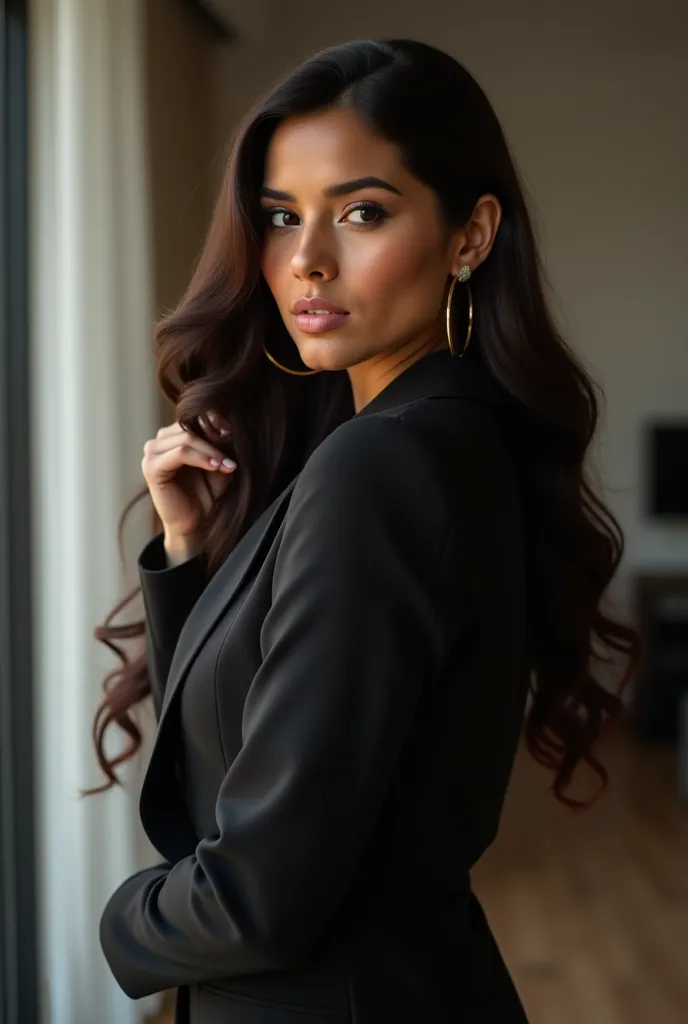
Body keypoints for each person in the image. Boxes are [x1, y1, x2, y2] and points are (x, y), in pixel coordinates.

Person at [91, 39, 640, 1024]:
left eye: (361, 211)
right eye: (278, 217)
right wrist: (187, 553)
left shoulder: (380, 465)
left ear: (470, 236)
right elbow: (240, 764)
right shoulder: (444, 436)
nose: (305, 259)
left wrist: (112, 921)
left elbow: (259, 892)